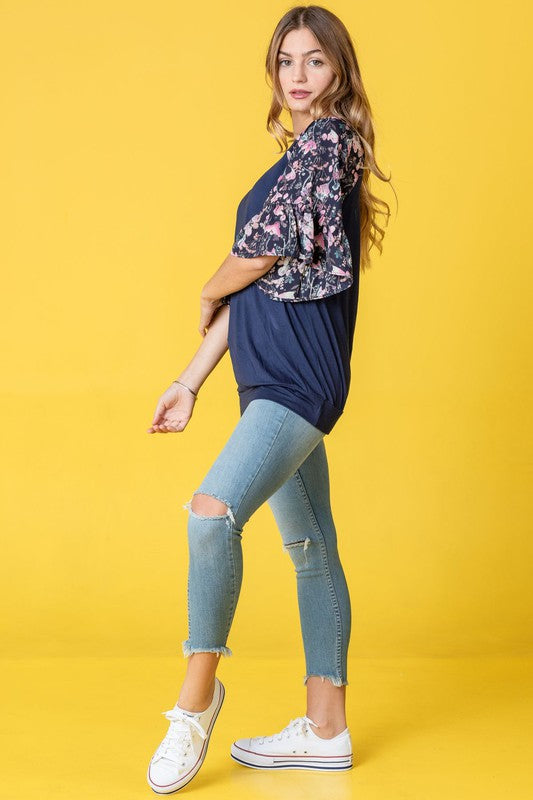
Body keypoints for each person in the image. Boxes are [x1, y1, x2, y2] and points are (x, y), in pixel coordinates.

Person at [145, 5, 391, 794]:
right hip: (268, 380)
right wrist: (188, 380)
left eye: (314, 61)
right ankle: (325, 731)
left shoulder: (329, 143)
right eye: (285, 61)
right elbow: (246, 295)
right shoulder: (294, 160)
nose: (297, 75)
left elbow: (262, 251)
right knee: (310, 549)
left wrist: (210, 278)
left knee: (211, 514)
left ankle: (195, 702)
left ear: (339, 72)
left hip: (298, 379)